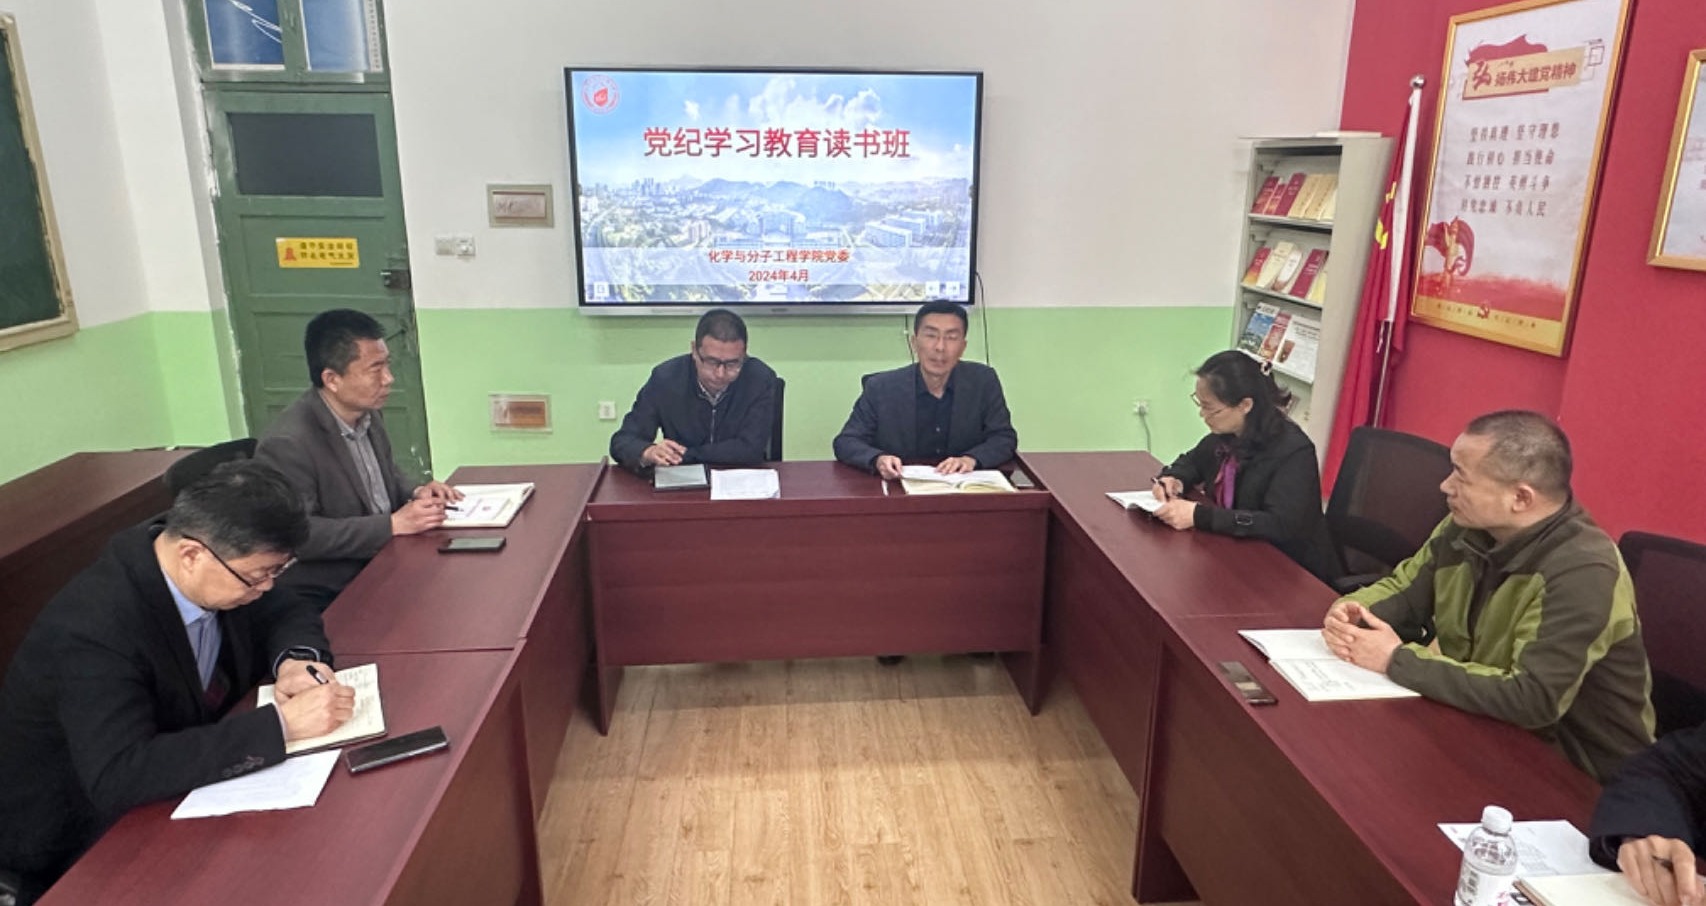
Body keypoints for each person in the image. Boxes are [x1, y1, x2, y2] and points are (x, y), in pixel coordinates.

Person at [0, 461, 355, 904]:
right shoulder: (94, 629)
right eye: (258, 575)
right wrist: (281, 726)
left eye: (276, 572)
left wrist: (295, 661)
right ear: (191, 555)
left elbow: (286, 608)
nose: (266, 587)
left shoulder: (219, 565)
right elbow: (119, 773)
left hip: (181, 781)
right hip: (78, 840)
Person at [1321, 410, 1653, 781]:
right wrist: (1352, 612)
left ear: (1521, 498)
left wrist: (1396, 659)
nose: (1445, 486)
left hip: (1574, 772)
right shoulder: (1467, 527)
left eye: (1461, 476)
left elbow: (1532, 698)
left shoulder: (1584, 573)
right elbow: (1405, 590)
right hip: (1484, 726)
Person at [256, 309, 461, 608]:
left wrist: (417, 490)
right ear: (332, 379)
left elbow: (384, 473)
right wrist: (391, 525)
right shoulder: (288, 443)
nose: (388, 379)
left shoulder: (367, 414)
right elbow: (300, 535)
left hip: (386, 556)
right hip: (335, 580)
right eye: (375, 369)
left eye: (387, 365)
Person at [1150, 350, 1340, 583]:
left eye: (1209, 407)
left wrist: (1200, 516)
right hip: (1236, 554)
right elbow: (1192, 461)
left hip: (1291, 573)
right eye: (1200, 403)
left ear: (1245, 405)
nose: (1202, 414)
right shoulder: (1228, 435)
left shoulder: (1293, 451)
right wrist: (1174, 479)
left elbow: (1280, 524)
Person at [833, 301, 1017, 478]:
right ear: (914, 342)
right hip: (900, 489)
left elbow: (1004, 438)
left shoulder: (983, 381)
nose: (940, 347)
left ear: (963, 347)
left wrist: (971, 459)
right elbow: (846, 442)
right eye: (931, 335)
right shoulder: (881, 387)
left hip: (962, 487)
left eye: (951, 338)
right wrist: (878, 459)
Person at [609, 308, 780, 471]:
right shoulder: (666, 379)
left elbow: (750, 449)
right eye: (712, 362)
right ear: (694, 351)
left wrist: (686, 454)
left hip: (741, 479)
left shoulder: (760, 379)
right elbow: (623, 441)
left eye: (732, 363)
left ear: (744, 354)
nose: (720, 374)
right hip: (682, 480)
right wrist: (647, 452)